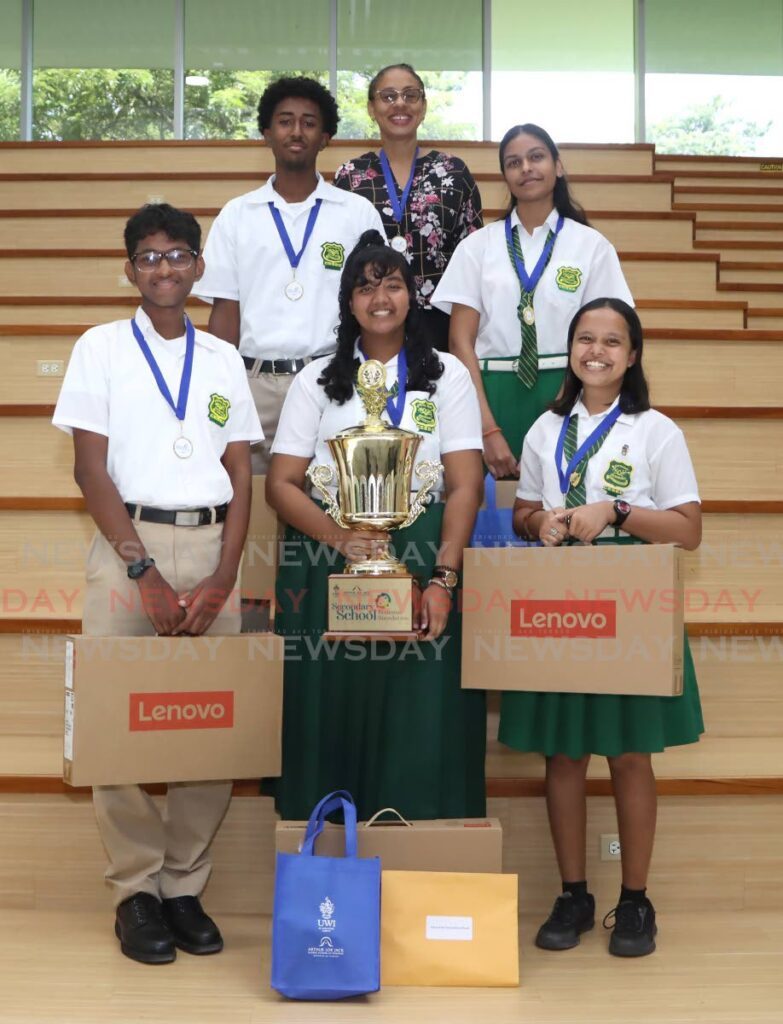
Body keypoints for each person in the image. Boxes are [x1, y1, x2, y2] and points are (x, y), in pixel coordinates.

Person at [52, 203, 263, 964]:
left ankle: (183, 886)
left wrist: (226, 572)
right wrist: (140, 569)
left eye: (178, 255)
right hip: (126, 545)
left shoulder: (221, 358)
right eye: (148, 256)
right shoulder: (99, 347)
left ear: (199, 267)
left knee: (209, 729)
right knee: (119, 731)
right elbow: (88, 468)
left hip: (213, 544)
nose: (164, 268)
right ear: (130, 269)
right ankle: (136, 891)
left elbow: (241, 472)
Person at [265, 230, 486, 820]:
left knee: (420, 717)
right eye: (365, 287)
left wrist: (444, 580)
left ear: (412, 296)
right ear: (348, 302)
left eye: (392, 284)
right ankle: (327, 858)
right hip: (327, 553)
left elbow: (466, 484)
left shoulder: (447, 376)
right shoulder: (316, 379)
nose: (380, 297)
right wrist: (343, 539)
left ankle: (421, 861)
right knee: (331, 708)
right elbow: (281, 484)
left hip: (422, 550)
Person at [507, 297, 704, 958]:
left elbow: (687, 528)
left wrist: (615, 511)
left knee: (626, 752)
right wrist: (543, 523)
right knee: (562, 751)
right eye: (584, 339)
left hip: (630, 595)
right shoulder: (543, 427)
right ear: (570, 350)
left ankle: (635, 900)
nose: (596, 350)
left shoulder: (655, 430)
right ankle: (572, 892)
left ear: (632, 355)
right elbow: (522, 510)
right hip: (558, 595)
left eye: (611, 341)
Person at [193, 76, 384, 473]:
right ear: (266, 133)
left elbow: (375, 304)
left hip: (331, 377)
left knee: (333, 501)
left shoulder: (356, 213)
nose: (296, 131)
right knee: (250, 504)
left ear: (326, 136)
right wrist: (220, 386)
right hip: (253, 382)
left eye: (309, 122)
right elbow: (225, 312)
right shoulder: (236, 215)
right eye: (285, 121)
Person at [432, 123, 633, 479]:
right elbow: (458, 341)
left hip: (570, 390)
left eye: (536, 157)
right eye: (513, 162)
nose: (526, 168)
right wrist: (486, 429)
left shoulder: (591, 246)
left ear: (557, 166)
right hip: (491, 394)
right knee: (492, 518)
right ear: (505, 177)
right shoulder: (477, 247)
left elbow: (607, 334)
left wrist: (563, 410)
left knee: (559, 509)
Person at [334, 63, 483, 354]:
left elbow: (472, 258)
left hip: (439, 324)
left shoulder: (453, 172)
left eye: (410, 95)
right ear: (371, 108)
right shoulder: (350, 175)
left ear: (424, 107)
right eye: (388, 96)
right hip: (372, 318)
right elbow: (343, 263)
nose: (400, 103)